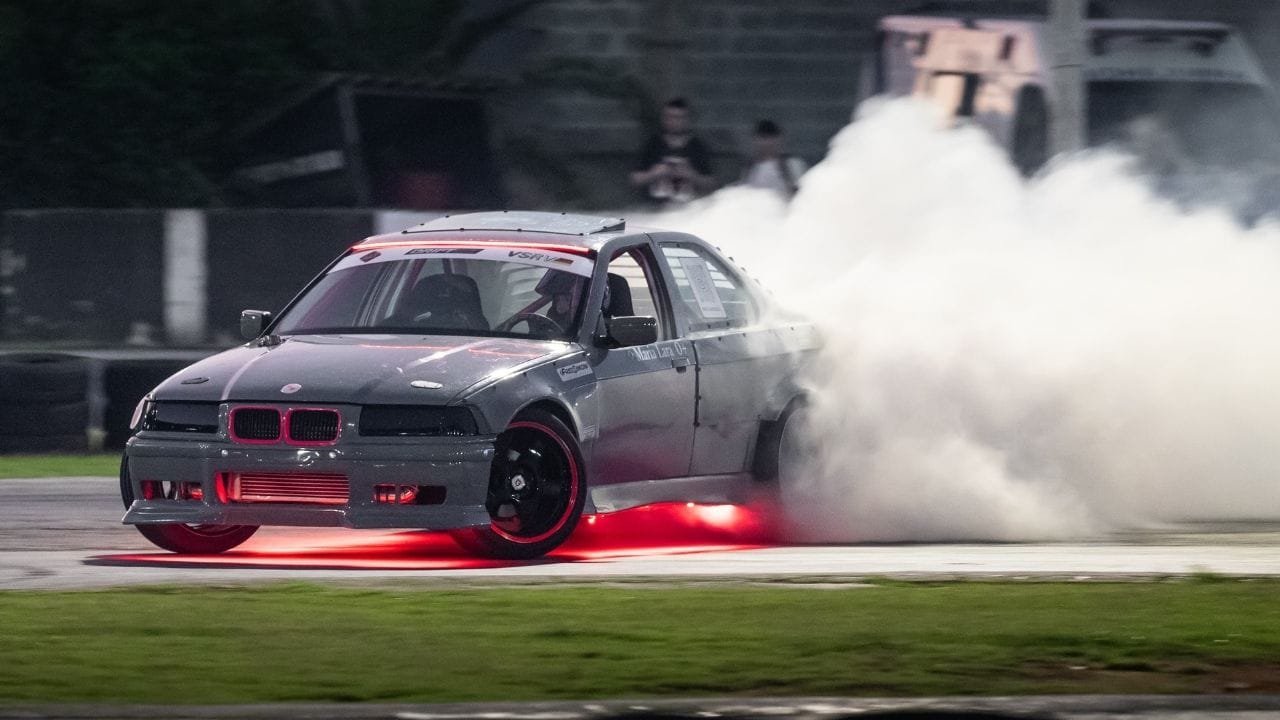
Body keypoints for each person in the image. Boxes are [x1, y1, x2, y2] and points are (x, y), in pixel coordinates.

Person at [630, 97, 716, 206]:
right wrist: (654, 174)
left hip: (689, 209)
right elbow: (634, 180)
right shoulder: (652, 144)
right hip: (654, 208)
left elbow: (711, 184)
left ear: (687, 120)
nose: (674, 122)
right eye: (670, 117)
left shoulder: (697, 147)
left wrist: (691, 175)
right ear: (663, 119)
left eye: (679, 118)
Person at [740, 120, 808, 199]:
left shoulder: (792, 165)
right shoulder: (749, 168)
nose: (767, 143)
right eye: (763, 138)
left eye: (771, 138)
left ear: (779, 139)